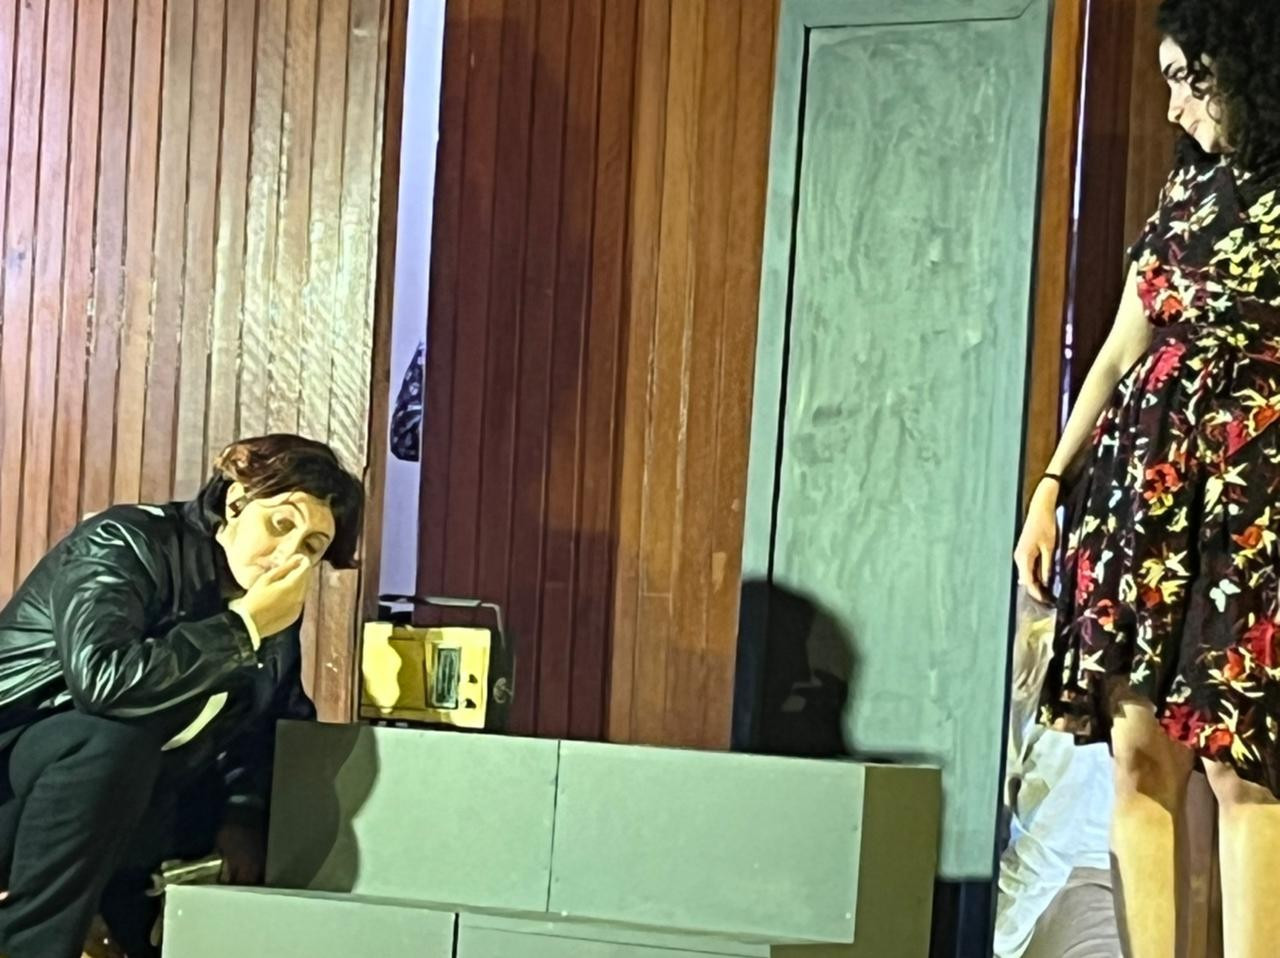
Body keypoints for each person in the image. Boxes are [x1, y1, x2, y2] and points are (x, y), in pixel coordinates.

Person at [1013, 1, 1280, 954]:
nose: (1173, 108)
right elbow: (1121, 350)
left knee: (1243, 767)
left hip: (1255, 500)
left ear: (1241, 68)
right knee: (1138, 755)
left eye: (1186, 80)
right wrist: (1052, 483)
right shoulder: (1185, 191)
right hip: (1146, 498)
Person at [0, 434, 363, 958]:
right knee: (112, 739)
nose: (289, 555)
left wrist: (242, 814)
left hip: (129, 815)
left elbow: (269, 723)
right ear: (235, 501)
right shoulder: (128, 541)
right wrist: (242, 631)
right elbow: (102, 679)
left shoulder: (269, 607)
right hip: (21, 777)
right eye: (280, 524)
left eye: (313, 546)